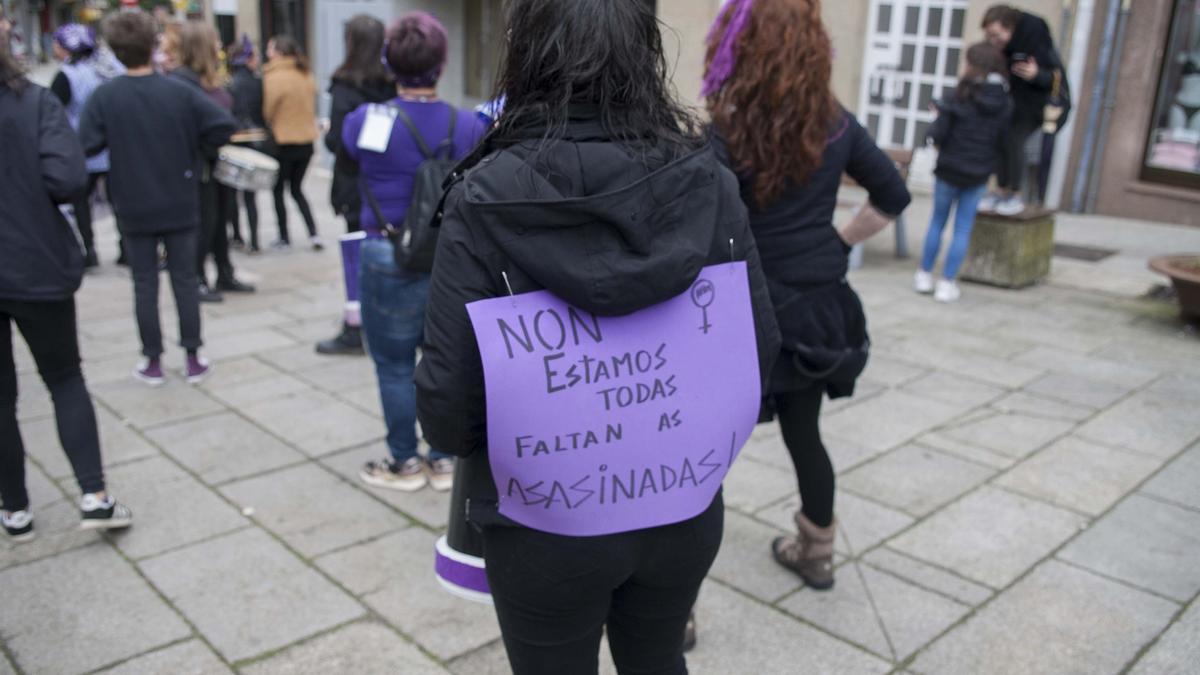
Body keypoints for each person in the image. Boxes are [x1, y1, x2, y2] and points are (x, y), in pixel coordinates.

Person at [414, 1, 779, 672]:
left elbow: (445, 407)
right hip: (682, 508)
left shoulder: (480, 195)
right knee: (659, 659)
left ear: (529, 54)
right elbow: (756, 362)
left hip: (542, 526)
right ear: (644, 53)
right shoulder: (712, 183)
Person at [705, 0, 910, 590]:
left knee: (705, 454)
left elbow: (701, 218)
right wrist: (838, 241)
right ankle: (817, 552)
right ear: (813, 47)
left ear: (736, 43)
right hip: (815, 309)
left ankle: (675, 602)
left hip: (742, 310)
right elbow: (892, 195)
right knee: (805, 433)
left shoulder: (724, 124)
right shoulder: (836, 121)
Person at [342, 12, 487, 493]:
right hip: (448, 257)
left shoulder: (365, 120)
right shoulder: (465, 123)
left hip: (386, 252)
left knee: (393, 365)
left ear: (389, 62)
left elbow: (346, 151)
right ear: (442, 65)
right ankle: (443, 457)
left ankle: (405, 462)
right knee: (445, 360)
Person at [1, 27, 133, 542]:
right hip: (34, 260)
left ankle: (15, 510)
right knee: (63, 377)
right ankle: (94, 496)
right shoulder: (32, 103)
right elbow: (68, 179)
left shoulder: (38, 99)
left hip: (30, 262)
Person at [79, 10, 235, 386]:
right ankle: (194, 355)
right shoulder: (178, 91)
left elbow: (87, 143)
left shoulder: (106, 96)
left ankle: (152, 360)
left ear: (116, 51)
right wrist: (194, 148)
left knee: (144, 284)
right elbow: (222, 126)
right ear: (153, 45)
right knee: (184, 279)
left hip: (132, 202)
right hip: (179, 198)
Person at [315, 15, 394, 356]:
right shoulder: (392, 83)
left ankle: (354, 328)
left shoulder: (346, 86)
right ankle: (384, 320)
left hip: (355, 184)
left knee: (355, 257)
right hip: (387, 183)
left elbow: (337, 142)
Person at [916, 43, 1012, 303]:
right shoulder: (1003, 102)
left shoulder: (958, 96)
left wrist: (938, 119)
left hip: (949, 169)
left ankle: (924, 275)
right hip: (978, 172)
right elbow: (1005, 142)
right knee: (962, 228)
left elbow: (938, 134)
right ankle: (946, 283)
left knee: (937, 222)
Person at [167, 21, 255, 302]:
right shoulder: (181, 83)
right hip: (199, 165)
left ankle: (224, 272)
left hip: (220, 163)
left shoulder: (212, 80)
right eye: (215, 43)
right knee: (205, 223)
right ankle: (197, 278)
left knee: (221, 220)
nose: (220, 48)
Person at [49, 23, 124, 269]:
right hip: (113, 148)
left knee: (82, 204)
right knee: (119, 201)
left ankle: (89, 250)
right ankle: (126, 248)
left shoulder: (67, 75)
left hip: (83, 150)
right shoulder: (110, 67)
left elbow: (54, 113)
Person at [981, 4, 1064, 215]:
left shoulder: (1035, 37)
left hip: (1037, 104)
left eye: (996, 35)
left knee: (1014, 138)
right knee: (1001, 136)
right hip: (1013, 101)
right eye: (989, 36)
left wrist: (1036, 74)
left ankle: (1016, 195)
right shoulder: (1002, 50)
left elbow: (1054, 77)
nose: (993, 40)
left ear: (1009, 28)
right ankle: (1001, 190)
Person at [262, 35, 322, 251]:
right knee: (297, 189)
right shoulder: (305, 73)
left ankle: (284, 236)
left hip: (283, 142)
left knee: (278, 190)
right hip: (306, 141)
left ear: (277, 52)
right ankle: (314, 233)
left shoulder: (273, 76)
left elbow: (267, 110)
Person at [226, 34, 264, 253]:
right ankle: (255, 240)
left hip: (235, 142)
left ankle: (238, 236)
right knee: (250, 196)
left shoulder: (230, 85)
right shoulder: (257, 83)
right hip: (253, 141)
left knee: (233, 194)